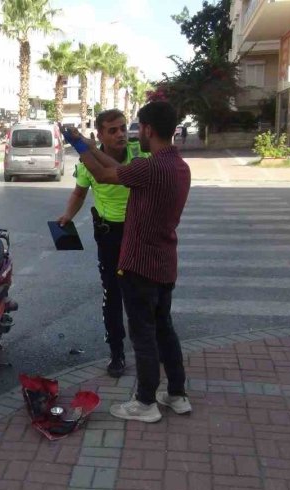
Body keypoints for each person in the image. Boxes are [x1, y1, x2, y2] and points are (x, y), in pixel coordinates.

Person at [60, 101, 191, 424]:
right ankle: (176, 394)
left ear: (147, 129)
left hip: (139, 262)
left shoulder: (149, 167)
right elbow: (110, 166)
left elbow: (104, 175)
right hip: (164, 260)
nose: (131, 134)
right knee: (164, 329)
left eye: (135, 128)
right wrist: (90, 146)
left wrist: (78, 144)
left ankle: (145, 401)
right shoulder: (177, 165)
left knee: (143, 333)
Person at [56, 109, 149, 378]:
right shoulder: (87, 163)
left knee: (142, 294)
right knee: (113, 295)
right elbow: (79, 192)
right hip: (110, 236)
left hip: (140, 232)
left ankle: (148, 349)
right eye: (113, 130)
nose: (121, 134)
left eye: (122, 128)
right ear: (100, 135)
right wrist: (67, 216)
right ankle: (117, 352)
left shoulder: (140, 155)